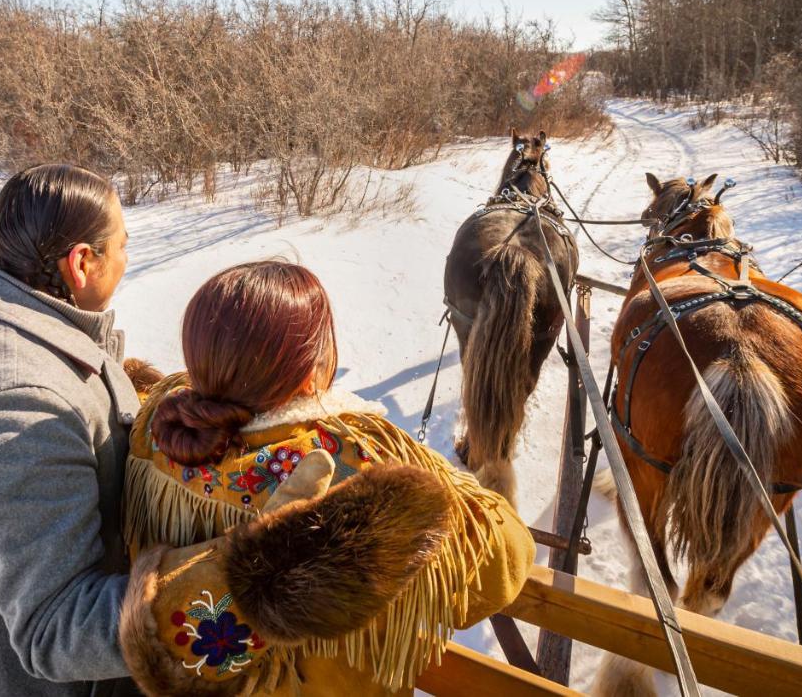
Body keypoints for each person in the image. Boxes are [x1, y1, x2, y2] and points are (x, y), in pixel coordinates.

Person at [0, 165, 442, 697]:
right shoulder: (14, 405)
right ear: (81, 262)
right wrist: (258, 583)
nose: (128, 261)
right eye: (123, 247)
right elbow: (55, 630)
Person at [120, 260, 536, 696]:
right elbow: (504, 561)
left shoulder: (157, 431)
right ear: (309, 370)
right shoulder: (354, 458)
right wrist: (455, 484)